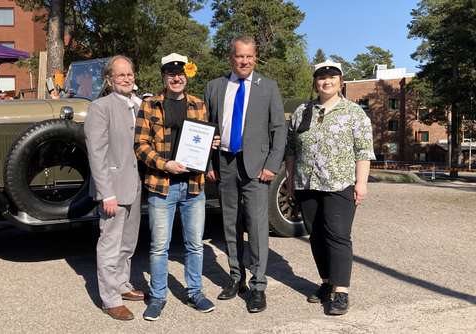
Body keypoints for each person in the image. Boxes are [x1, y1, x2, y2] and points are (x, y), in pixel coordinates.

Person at [285, 60, 376, 315]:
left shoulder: (354, 113)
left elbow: (363, 151)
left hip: (339, 184)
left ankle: (341, 292)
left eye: (332, 77)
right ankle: (326, 283)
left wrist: (361, 183)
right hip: (307, 183)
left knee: (337, 235)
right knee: (316, 235)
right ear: (315, 81)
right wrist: (291, 179)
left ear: (341, 81)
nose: (326, 81)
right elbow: (291, 149)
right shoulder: (303, 111)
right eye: (321, 77)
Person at [204, 36, 287, 313]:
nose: (245, 61)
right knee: (230, 224)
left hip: (256, 168)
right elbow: (207, 127)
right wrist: (209, 161)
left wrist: (273, 165)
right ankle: (235, 278)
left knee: (257, 226)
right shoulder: (215, 87)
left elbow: (279, 129)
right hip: (225, 163)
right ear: (232, 58)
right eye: (240, 56)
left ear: (256, 58)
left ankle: (258, 286)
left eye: (250, 56)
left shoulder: (268, 87)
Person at [134, 53, 217, 321]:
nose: (176, 78)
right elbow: (140, 145)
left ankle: (195, 293)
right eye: (171, 74)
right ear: (164, 77)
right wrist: (164, 164)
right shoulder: (149, 105)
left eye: (180, 73)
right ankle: (158, 296)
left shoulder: (199, 105)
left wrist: (210, 144)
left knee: (195, 244)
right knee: (159, 246)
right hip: (162, 185)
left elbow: (204, 140)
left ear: (187, 75)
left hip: (194, 187)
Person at [84, 55, 144, 321]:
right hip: (113, 190)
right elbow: (97, 154)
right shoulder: (100, 107)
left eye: (129, 74)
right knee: (110, 243)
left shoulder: (140, 105)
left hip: (135, 186)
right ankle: (110, 298)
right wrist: (106, 193)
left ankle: (122, 283)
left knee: (128, 242)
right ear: (110, 79)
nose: (127, 79)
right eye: (121, 75)